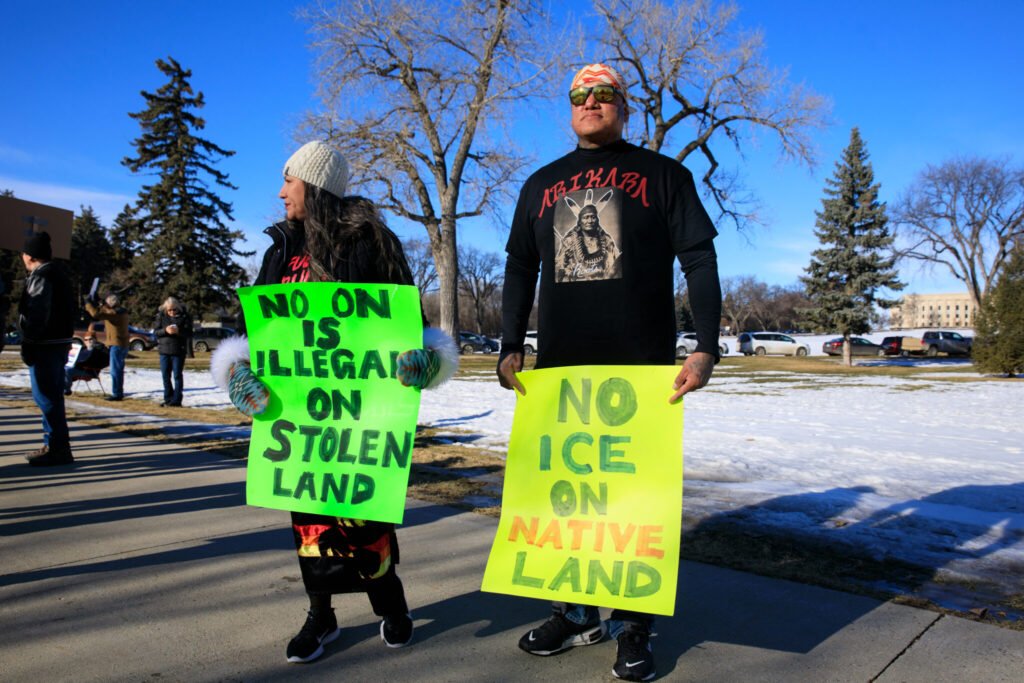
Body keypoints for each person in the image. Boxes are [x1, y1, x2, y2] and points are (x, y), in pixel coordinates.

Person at [496, 63, 722, 682]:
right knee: (567, 498)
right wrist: (510, 343)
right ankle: (575, 615)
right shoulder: (540, 184)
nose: (590, 102)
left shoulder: (665, 175)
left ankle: (632, 625)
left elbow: (700, 260)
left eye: (603, 94)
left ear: (623, 105)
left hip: (640, 367)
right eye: (579, 94)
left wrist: (705, 346)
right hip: (561, 368)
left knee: (631, 500)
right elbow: (519, 267)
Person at [210, 141, 458, 664]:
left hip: (361, 414)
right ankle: (320, 616)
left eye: (289, 180)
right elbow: (255, 330)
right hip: (298, 415)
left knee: (364, 519)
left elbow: (408, 323)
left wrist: (426, 360)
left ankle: (390, 604)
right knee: (310, 521)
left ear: (316, 185)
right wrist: (237, 370)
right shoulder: (279, 249)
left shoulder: (372, 242)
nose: (281, 192)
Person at [17, 231, 77, 466]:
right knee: (52, 396)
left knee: (46, 397)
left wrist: (29, 341)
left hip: (45, 344)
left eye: (23, 253)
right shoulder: (58, 273)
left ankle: (57, 448)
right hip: (58, 343)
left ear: (30, 255)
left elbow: (38, 311)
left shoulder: (42, 276)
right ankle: (56, 445)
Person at [85, 293, 129, 401]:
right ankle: (118, 392)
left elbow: (96, 314)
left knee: (115, 370)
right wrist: (100, 303)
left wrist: (88, 303)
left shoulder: (115, 313)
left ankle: (117, 394)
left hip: (117, 345)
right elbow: (104, 311)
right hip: (120, 344)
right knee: (118, 369)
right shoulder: (120, 311)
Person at [153, 297, 193, 407]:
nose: (172, 312)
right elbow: (156, 332)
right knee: (165, 376)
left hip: (178, 350)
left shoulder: (184, 317)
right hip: (164, 350)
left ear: (178, 308)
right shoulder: (161, 316)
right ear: (165, 309)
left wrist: (178, 331)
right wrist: (165, 330)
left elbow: (189, 333)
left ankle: (176, 400)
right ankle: (168, 398)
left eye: (174, 309)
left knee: (177, 376)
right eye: (169, 310)